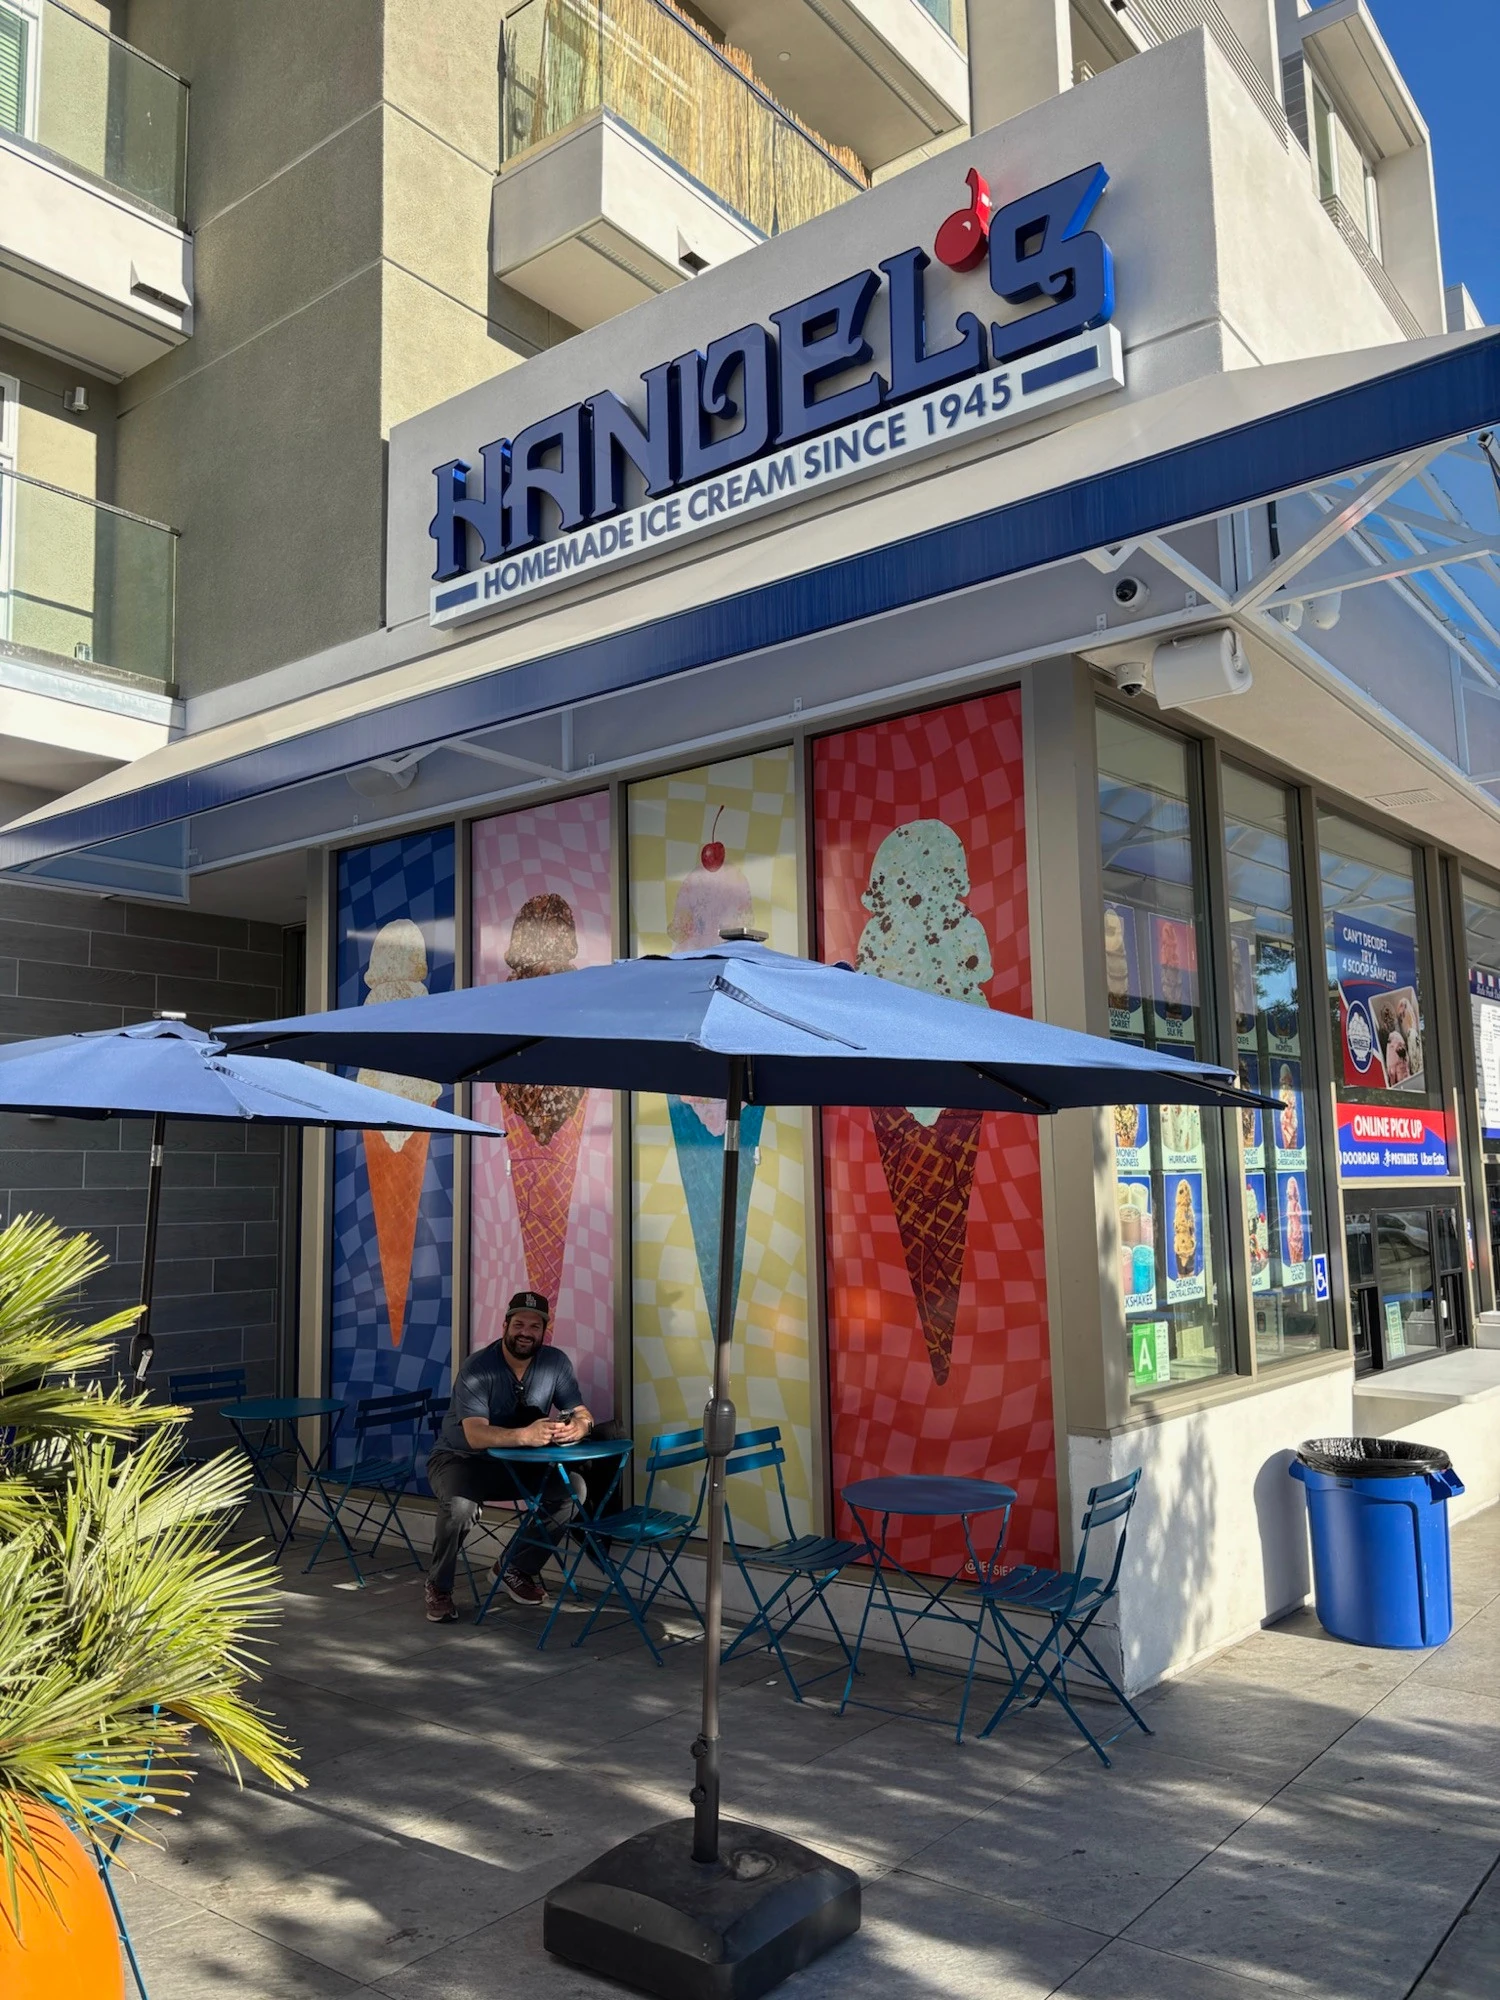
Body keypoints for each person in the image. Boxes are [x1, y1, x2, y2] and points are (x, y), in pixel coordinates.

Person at [423, 1289, 594, 1624]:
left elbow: (580, 1411)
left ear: (544, 1331)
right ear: (504, 1326)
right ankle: (438, 1586)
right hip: (461, 1459)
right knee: (460, 1508)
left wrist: (579, 1427)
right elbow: (475, 1435)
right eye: (518, 1324)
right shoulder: (478, 1368)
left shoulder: (555, 1362)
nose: (525, 1332)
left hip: (517, 1463)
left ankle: (514, 1567)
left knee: (572, 1489)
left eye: (534, 1326)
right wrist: (525, 1435)